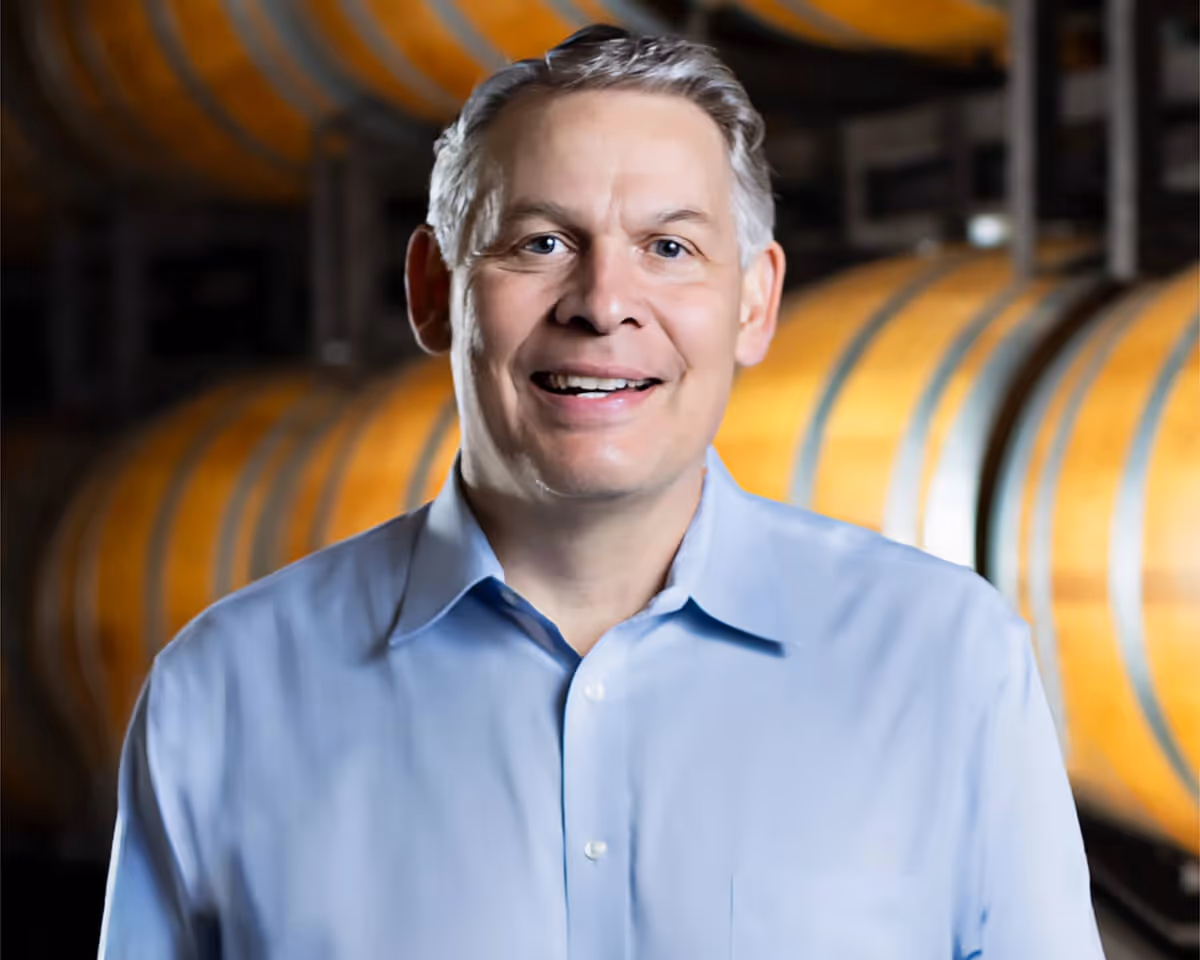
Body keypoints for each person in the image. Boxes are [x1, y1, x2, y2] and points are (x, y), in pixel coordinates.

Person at [98, 25, 1104, 959]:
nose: (604, 304)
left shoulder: (946, 664)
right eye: (541, 243)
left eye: (670, 248)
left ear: (754, 303)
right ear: (433, 293)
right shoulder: (223, 698)